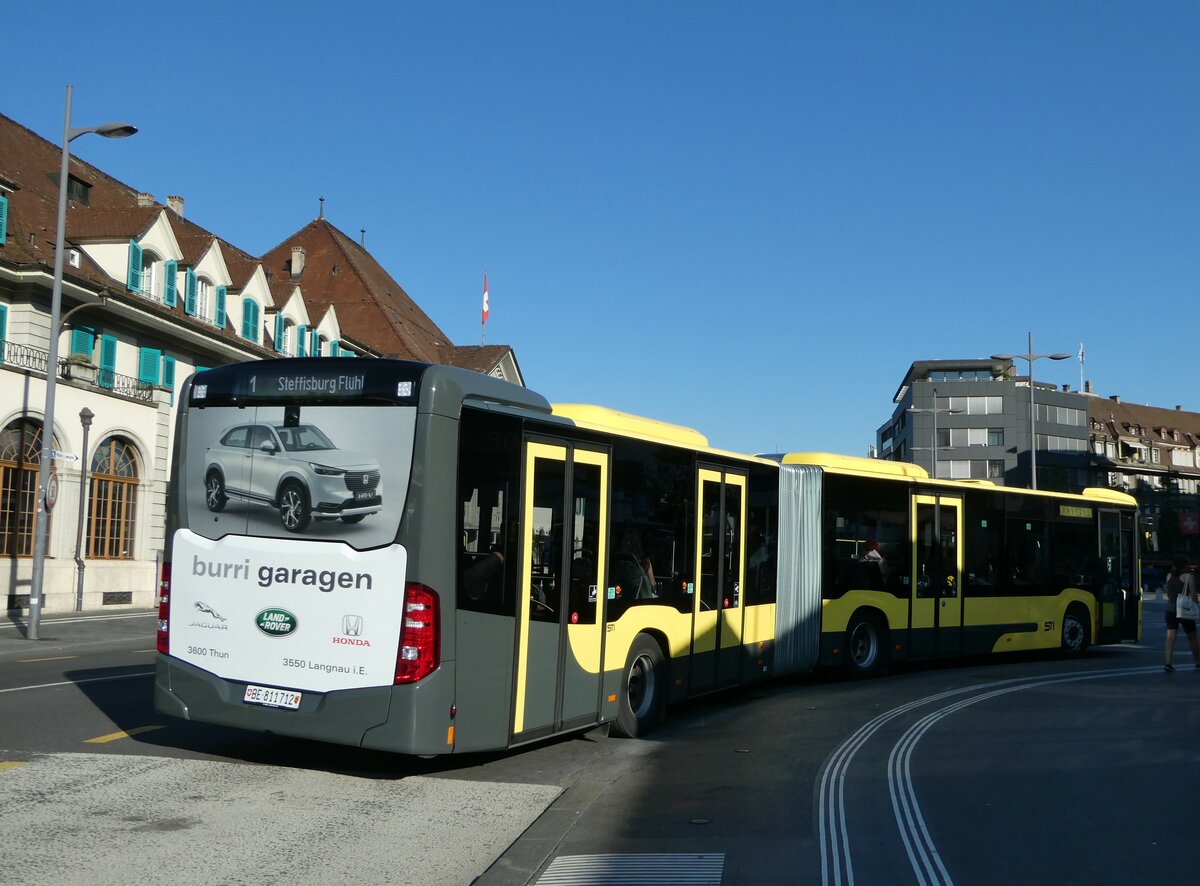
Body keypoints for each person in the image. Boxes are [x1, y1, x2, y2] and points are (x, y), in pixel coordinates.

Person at [1162, 554, 1200, 671]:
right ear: (1184, 565)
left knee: (1170, 637)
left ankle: (1168, 662)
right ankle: (1198, 662)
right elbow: (1194, 596)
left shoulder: (1168, 576)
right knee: (1192, 637)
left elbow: (1168, 593)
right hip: (1184, 611)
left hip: (1170, 609)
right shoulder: (1188, 577)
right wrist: (1196, 607)